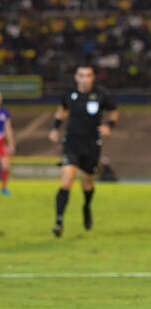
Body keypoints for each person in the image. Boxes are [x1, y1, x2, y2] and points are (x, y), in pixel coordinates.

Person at [49, 64, 118, 237]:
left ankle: (86, 206)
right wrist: (55, 128)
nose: (84, 78)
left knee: (87, 183)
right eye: (81, 75)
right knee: (67, 179)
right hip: (71, 143)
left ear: (93, 77)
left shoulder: (102, 94)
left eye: (88, 75)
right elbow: (62, 111)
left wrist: (109, 126)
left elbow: (114, 112)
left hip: (92, 145)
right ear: (76, 77)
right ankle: (58, 221)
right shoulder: (69, 95)